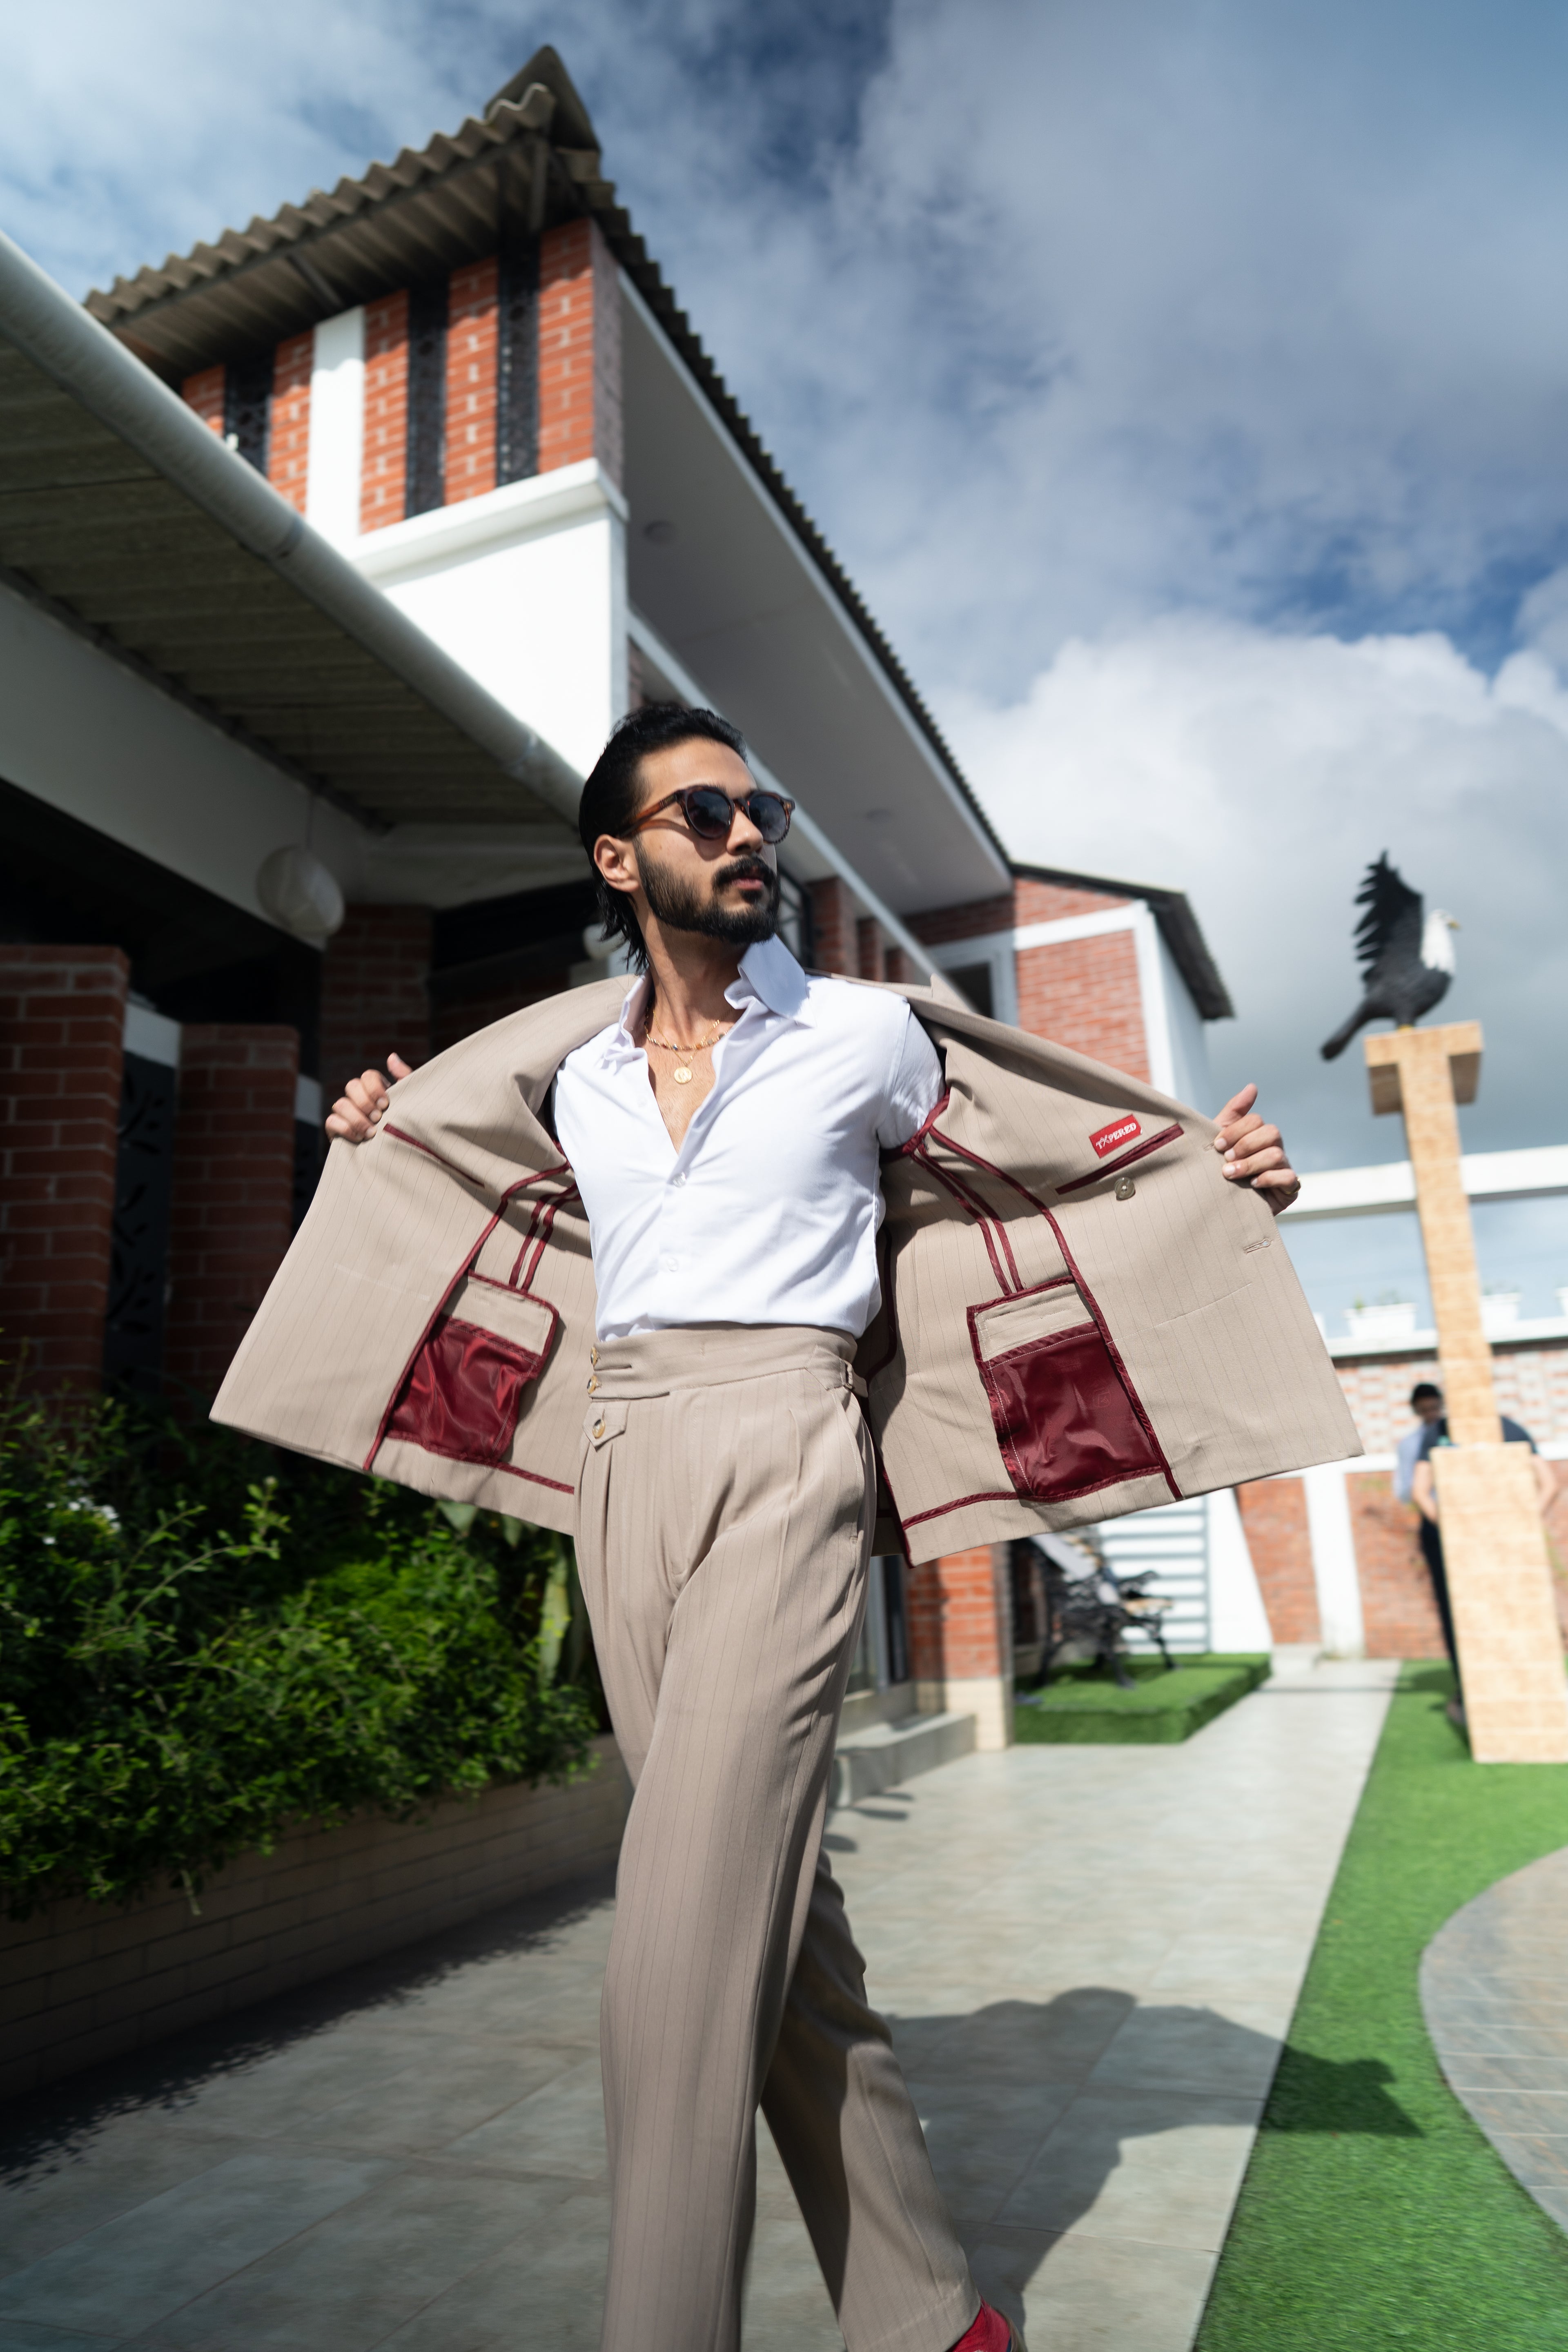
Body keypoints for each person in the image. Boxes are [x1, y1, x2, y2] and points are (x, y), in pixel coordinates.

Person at [220, 703, 1345, 2352]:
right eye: (700, 815)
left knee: (673, 1942)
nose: (748, 837)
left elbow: (1083, 1159)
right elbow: (453, 1170)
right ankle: (930, 2310)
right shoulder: (573, 1071)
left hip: (791, 1442)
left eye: (756, 812)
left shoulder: (870, 1037)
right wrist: (371, 1130)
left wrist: (1220, 1165)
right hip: (621, 1458)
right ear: (620, 861)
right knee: (773, 1922)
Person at [1410, 1393, 1555, 1723]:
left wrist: (1525, 1528)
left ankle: (1523, 1691)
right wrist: (1454, 1534)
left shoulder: (1508, 1428)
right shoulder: (1439, 1433)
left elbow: (1549, 1485)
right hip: (1454, 1545)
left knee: (1512, 1611)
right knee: (1460, 1614)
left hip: (1504, 1544)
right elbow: (1421, 1492)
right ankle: (1470, 1692)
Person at [1392, 1379, 1444, 1503]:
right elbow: (1404, 1488)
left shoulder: (1455, 1434)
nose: (1431, 1414)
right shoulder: (1410, 1444)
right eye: (1425, 1410)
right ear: (1416, 1409)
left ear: (1441, 1404)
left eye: (1434, 1408)